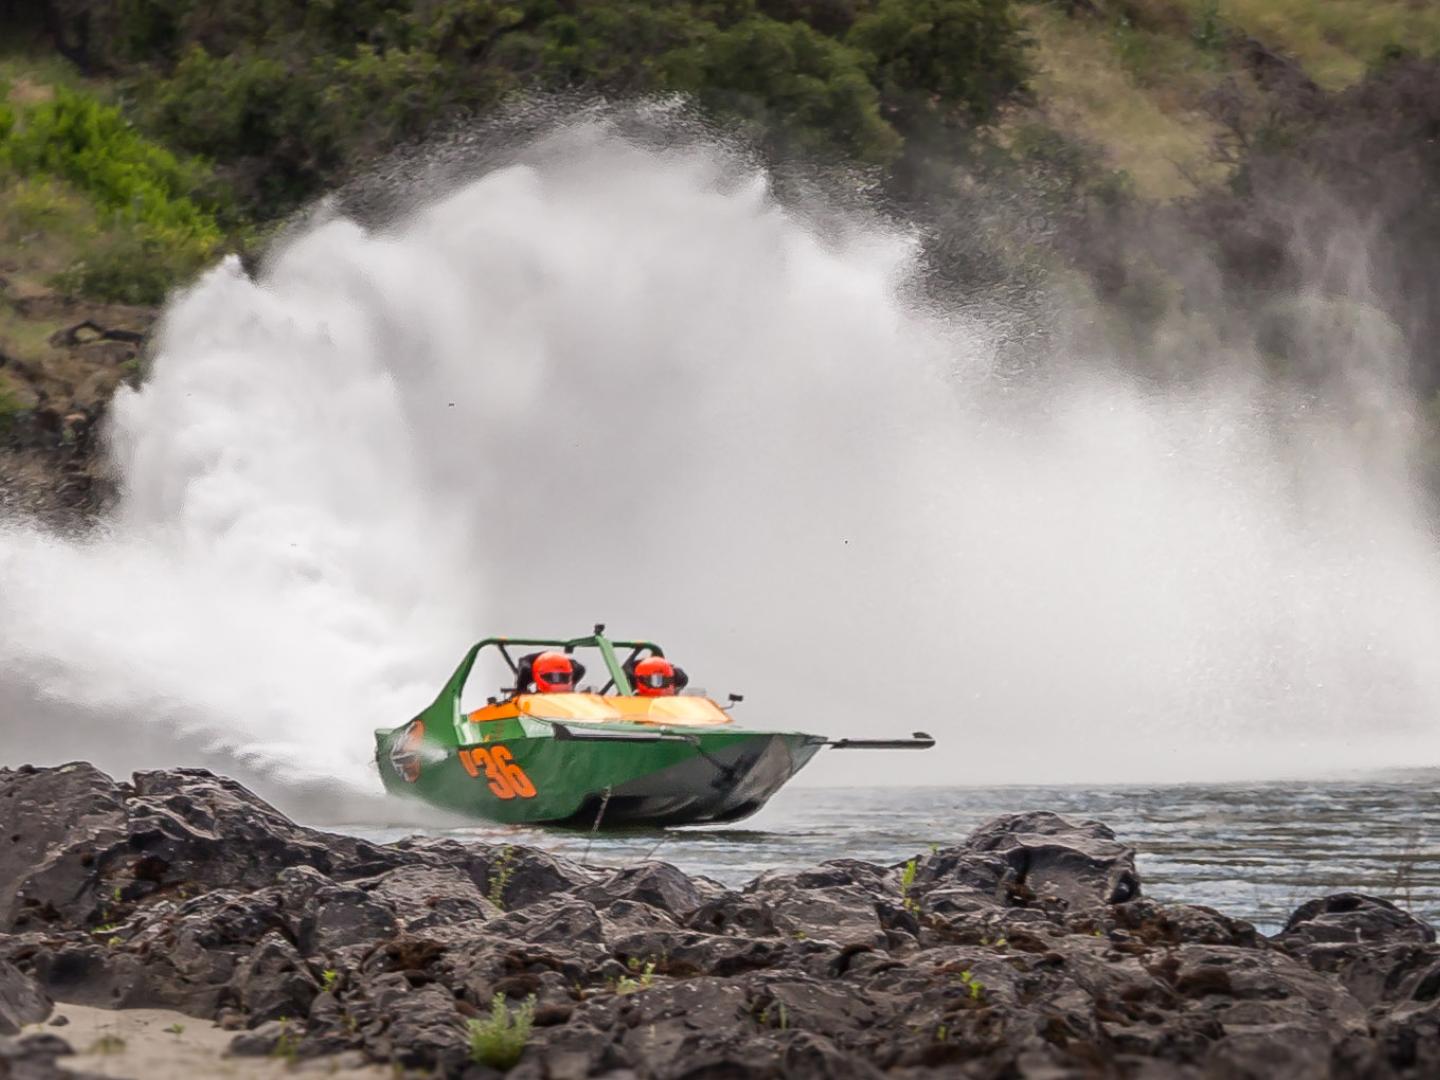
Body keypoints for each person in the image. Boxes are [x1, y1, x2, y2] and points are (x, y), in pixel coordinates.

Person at [516, 650, 584, 694]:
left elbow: (581, 669)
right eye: (551, 677)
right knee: (522, 686)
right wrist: (521, 690)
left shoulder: (573, 666)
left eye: (562, 677)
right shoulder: (526, 668)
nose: (556, 681)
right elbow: (524, 666)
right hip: (534, 667)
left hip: (560, 662)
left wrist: (571, 686)